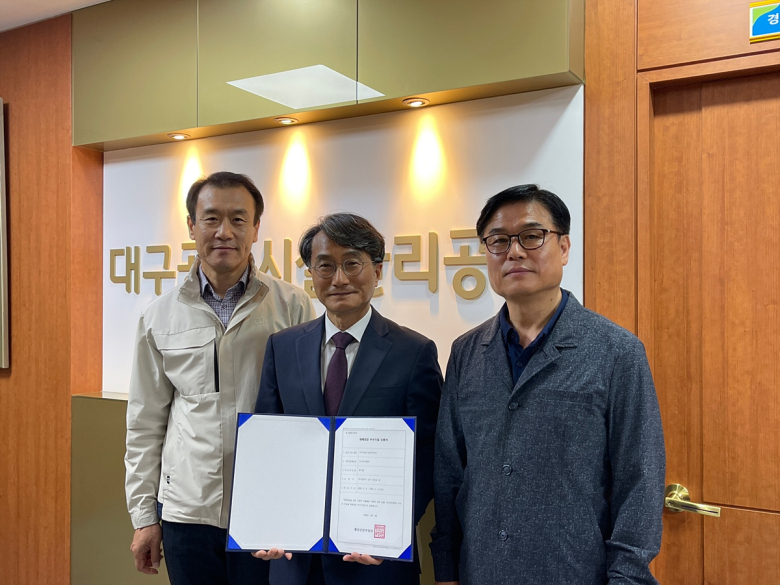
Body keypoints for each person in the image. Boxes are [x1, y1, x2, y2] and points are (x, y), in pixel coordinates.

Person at [430, 185, 665, 585]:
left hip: (574, 572)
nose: (514, 252)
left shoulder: (617, 352)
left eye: (531, 236)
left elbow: (640, 478)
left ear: (564, 247)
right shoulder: (466, 352)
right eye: (498, 241)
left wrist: (627, 577)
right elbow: (449, 470)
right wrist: (446, 569)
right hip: (480, 571)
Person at [125, 171, 315, 585]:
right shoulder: (159, 316)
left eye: (238, 219)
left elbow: (308, 417)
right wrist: (144, 516)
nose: (224, 232)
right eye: (211, 218)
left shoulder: (292, 306)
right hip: (186, 511)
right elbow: (144, 424)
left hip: (267, 509)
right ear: (191, 226)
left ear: (256, 228)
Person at [253, 212, 443, 585]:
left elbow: (428, 452)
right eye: (325, 266)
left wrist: (393, 528)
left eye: (352, 264)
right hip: (295, 561)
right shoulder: (282, 346)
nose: (339, 279)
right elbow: (268, 443)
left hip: (375, 563)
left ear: (377, 270)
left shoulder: (414, 352)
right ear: (311, 274)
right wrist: (266, 521)